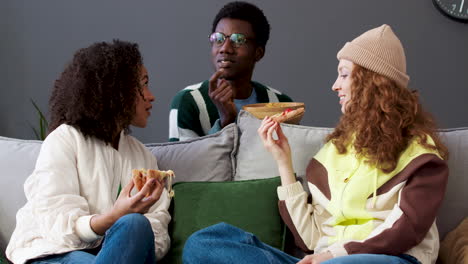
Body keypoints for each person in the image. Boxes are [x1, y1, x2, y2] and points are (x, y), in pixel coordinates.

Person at [182, 24, 449, 264]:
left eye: (344, 75)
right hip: (324, 259)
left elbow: (406, 230)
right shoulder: (334, 150)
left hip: (386, 258)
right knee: (205, 243)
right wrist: (283, 160)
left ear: (372, 82)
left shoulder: (419, 152)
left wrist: (334, 255)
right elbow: (310, 239)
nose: (335, 85)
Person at [6, 40, 172, 264]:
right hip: (52, 252)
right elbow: (56, 223)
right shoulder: (65, 139)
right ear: (115, 90)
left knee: (135, 224)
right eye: (142, 85)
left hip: (112, 255)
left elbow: (157, 232)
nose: (151, 96)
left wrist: (124, 237)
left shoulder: (142, 156)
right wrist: (114, 217)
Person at [169, 1, 293, 141]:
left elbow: (289, 158)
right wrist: (225, 122)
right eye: (219, 38)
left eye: (238, 40)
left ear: (258, 52)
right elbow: (186, 161)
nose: (225, 48)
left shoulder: (279, 103)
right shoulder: (189, 101)